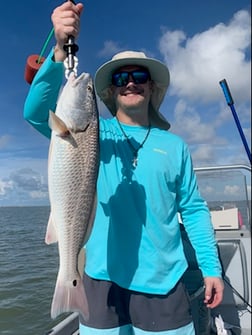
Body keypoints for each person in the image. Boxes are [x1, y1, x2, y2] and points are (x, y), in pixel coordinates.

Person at [24, 2, 224, 334]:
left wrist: (210, 267)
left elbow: (193, 210)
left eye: (139, 76)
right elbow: (35, 112)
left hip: (164, 283)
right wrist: (60, 52)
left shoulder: (175, 147)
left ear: (152, 87)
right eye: (121, 77)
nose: (130, 83)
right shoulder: (93, 133)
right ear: (111, 91)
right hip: (101, 280)